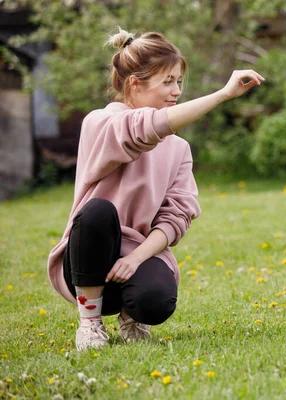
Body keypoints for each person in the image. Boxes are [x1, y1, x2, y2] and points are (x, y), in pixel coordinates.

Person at [47, 27, 265, 351]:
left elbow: (176, 217)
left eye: (178, 82)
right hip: (86, 259)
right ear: (135, 84)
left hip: (139, 253)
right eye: (168, 82)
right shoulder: (101, 124)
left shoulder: (179, 149)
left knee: (157, 301)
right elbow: (144, 129)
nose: (176, 91)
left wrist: (135, 259)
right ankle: (90, 323)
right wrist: (222, 95)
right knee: (96, 211)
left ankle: (132, 316)